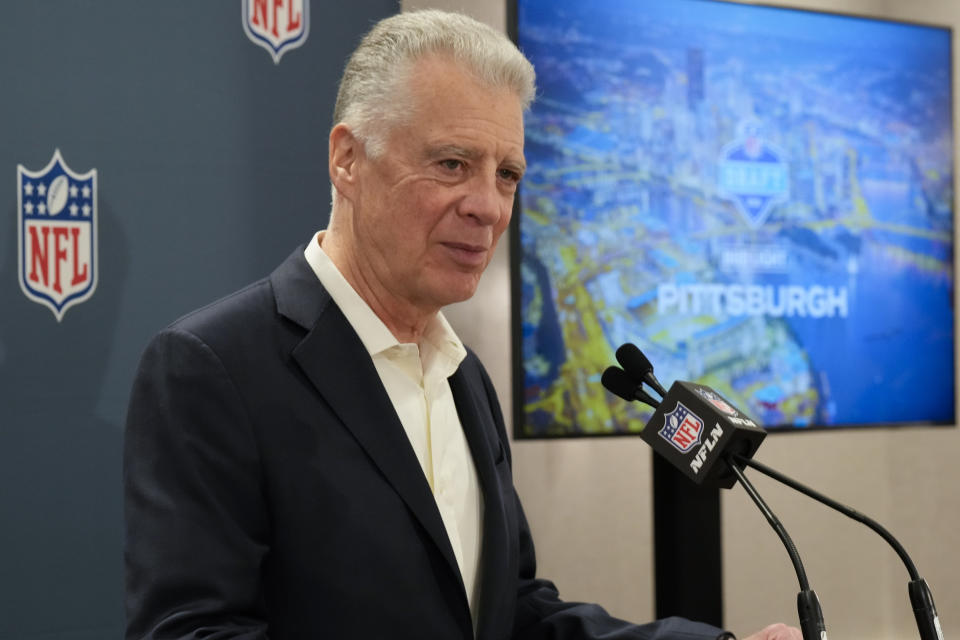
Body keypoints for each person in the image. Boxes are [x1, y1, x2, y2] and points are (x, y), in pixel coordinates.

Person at [123, 9, 802, 640]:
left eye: (506, 174)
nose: (488, 206)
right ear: (348, 159)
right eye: (452, 164)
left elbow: (516, 613)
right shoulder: (212, 367)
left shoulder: (463, 379)